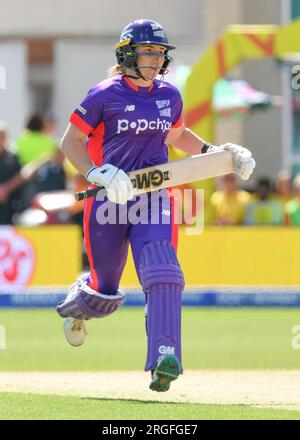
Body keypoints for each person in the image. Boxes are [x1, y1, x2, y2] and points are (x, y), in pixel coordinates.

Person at [56, 19, 255, 392]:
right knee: (104, 292)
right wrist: (97, 173)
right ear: (128, 53)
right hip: (109, 202)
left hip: (155, 196)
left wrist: (217, 153)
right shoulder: (103, 94)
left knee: (164, 271)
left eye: (160, 52)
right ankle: (78, 306)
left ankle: (166, 358)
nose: (155, 58)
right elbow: (70, 142)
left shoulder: (170, 95)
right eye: (148, 51)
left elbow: (177, 135)